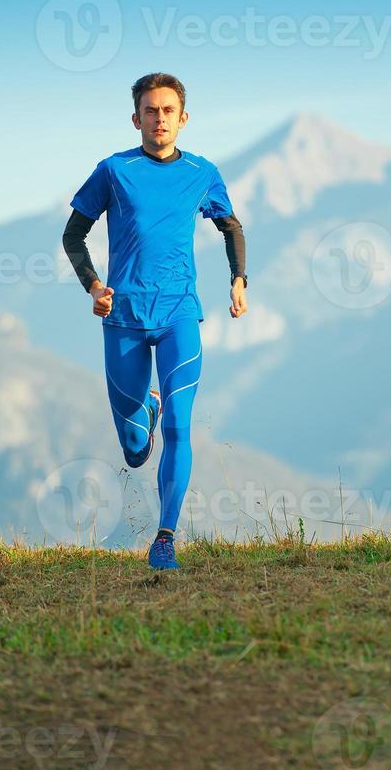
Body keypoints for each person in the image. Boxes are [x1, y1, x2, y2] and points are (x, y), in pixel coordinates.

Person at [62, 72, 248, 570]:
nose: (159, 118)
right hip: (123, 316)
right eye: (151, 110)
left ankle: (165, 536)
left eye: (168, 110)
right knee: (134, 448)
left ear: (183, 118)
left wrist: (238, 280)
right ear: (136, 117)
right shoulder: (114, 171)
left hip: (178, 315)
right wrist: (95, 287)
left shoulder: (202, 172)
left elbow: (230, 226)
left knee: (182, 429)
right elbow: (73, 235)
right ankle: (145, 409)